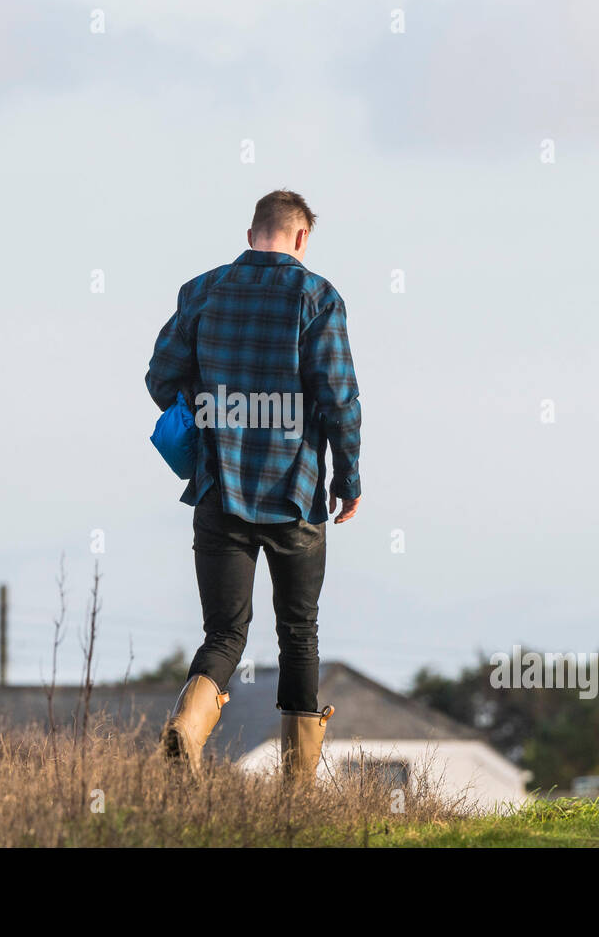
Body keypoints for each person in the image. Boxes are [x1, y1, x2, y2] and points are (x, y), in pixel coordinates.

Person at [145, 190, 362, 783]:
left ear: (251, 233)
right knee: (298, 632)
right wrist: (349, 475)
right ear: (301, 239)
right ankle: (297, 789)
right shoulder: (317, 297)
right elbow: (338, 397)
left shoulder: (202, 291)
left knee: (224, 633)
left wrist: (208, 405)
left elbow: (160, 376)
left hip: (219, 491)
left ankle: (186, 730)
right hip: (295, 493)